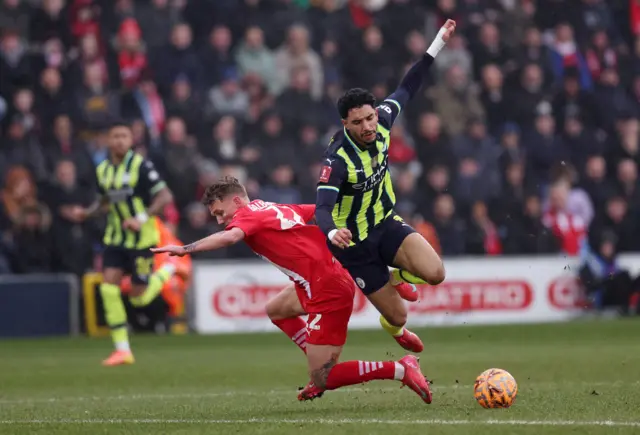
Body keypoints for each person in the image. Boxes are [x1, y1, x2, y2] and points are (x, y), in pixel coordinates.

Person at [152, 176, 433, 403]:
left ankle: (400, 368)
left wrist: (185, 248)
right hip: (314, 282)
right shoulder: (271, 207)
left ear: (236, 200)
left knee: (326, 377)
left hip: (327, 288)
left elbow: (230, 237)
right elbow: (319, 211)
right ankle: (318, 359)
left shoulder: (248, 215)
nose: (220, 220)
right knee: (276, 310)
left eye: (220, 212)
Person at [315, 20, 455, 352]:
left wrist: (437, 43)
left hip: (384, 223)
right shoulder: (337, 161)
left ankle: (397, 277)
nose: (367, 126)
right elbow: (321, 207)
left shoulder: (384, 120)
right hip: (355, 247)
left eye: (370, 118)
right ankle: (390, 326)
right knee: (399, 316)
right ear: (344, 123)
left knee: (435, 273)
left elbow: (409, 85)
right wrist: (332, 232)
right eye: (358, 122)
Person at [72, 122, 174, 366]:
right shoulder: (103, 170)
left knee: (139, 298)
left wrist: (140, 218)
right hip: (116, 238)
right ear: (108, 140)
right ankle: (122, 349)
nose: (119, 140)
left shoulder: (141, 165)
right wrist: (86, 213)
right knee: (108, 288)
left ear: (131, 140)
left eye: (124, 136)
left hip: (142, 239)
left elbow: (165, 196)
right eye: (115, 136)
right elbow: (106, 202)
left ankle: (165, 273)